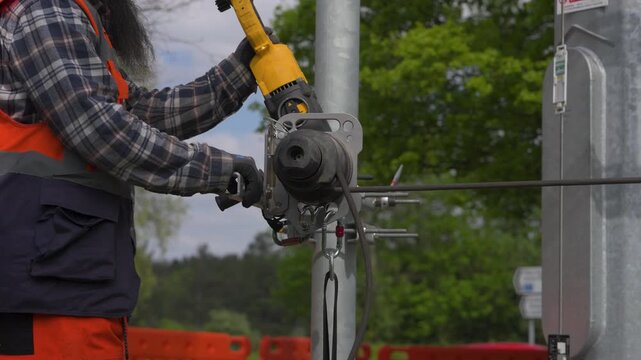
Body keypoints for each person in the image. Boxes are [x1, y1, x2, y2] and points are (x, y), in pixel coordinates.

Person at [0, 0, 264, 358]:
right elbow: (100, 129)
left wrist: (240, 74)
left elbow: (137, 114)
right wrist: (220, 169)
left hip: (67, 283)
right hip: (49, 295)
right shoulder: (48, 10)